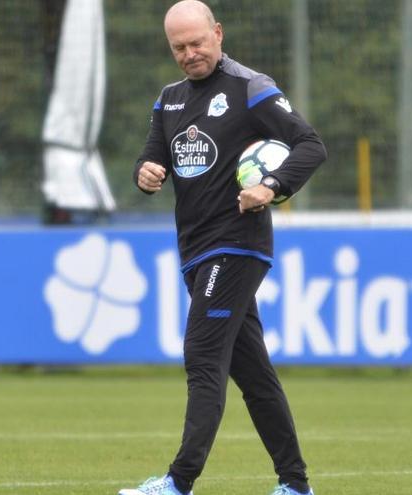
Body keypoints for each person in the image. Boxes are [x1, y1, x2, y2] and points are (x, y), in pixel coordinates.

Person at [118, 1, 325, 494]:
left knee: (202, 354)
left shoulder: (250, 87)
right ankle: (295, 485)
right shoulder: (168, 101)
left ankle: (177, 482)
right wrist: (145, 174)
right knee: (253, 374)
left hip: (236, 246)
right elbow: (151, 159)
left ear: (217, 33)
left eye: (197, 43)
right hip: (195, 251)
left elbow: (311, 145)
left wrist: (271, 186)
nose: (190, 54)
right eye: (179, 48)